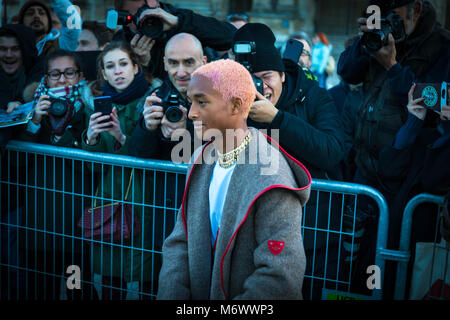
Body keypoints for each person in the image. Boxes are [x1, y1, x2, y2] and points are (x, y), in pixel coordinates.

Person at [157, 58, 311, 300]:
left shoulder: (271, 174)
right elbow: (179, 244)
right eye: (191, 102)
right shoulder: (200, 158)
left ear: (236, 106)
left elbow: (279, 276)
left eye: (202, 102)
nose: (192, 113)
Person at [230, 23, 348, 299]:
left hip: (315, 233)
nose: (261, 86)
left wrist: (277, 120)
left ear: (283, 75)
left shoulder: (315, 96)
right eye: (252, 79)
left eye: (267, 76)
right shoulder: (237, 104)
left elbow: (331, 151)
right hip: (257, 234)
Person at [16, 49, 93, 299]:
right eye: (55, 74)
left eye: (69, 73)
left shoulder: (89, 115)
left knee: (77, 293)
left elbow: (91, 167)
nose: (62, 80)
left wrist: (63, 136)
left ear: (80, 76)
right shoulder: (32, 115)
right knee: (40, 293)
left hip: (75, 235)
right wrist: (34, 122)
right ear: (45, 80)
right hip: (38, 233)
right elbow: (15, 166)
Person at [81, 41, 155, 300]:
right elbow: (92, 166)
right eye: (110, 66)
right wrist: (90, 138)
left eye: (123, 64)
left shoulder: (151, 102)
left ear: (136, 67)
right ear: (103, 73)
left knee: (148, 277)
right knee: (111, 279)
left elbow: (149, 154)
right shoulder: (98, 106)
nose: (118, 71)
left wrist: (121, 137)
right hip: (110, 199)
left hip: (144, 199)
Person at [378, 84, 450, 298]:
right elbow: (388, 169)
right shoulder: (426, 135)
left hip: (434, 248)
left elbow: (434, 180)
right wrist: (414, 120)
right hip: (401, 243)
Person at [129, 32, 206, 160]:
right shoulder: (156, 99)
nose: (181, 73)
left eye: (188, 62)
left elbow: (227, 150)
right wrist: (147, 128)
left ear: (203, 62)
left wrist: (188, 132)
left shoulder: (219, 99)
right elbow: (137, 156)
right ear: (165, 63)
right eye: (174, 63)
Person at [112, 0, 236, 79]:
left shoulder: (180, 18)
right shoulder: (121, 42)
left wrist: (178, 22)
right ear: (124, 17)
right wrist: (144, 64)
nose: (147, 5)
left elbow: (232, 37)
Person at [18, 0, 82, 56]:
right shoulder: (14, 48)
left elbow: (74, 23)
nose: (36, 16)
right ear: (21, 21)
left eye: (42, 13)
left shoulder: (59, 46)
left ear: (49, 22)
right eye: (30, 13)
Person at [0, 24, 41, 109]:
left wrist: (20, 102)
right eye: (3, 49)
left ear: (26, 51)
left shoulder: (41, 73)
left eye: (15, 49)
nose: (9, 55)